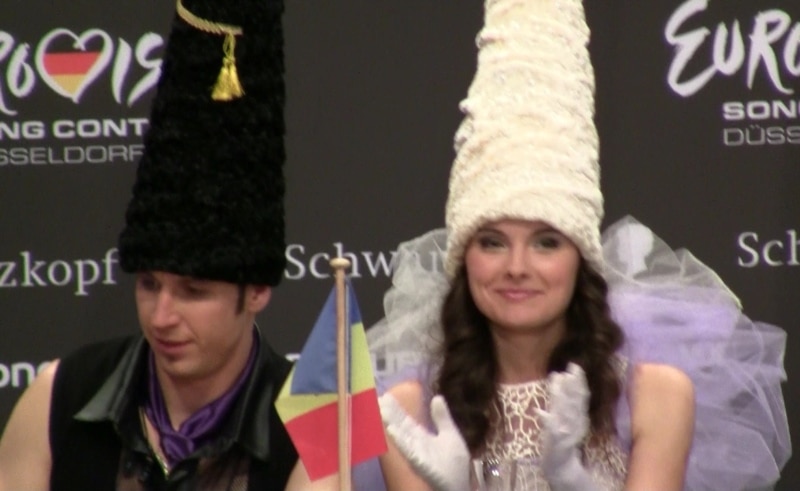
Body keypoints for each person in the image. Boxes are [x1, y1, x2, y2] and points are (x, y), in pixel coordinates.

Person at [364, 0, 790, 490]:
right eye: (492, 242)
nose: (517, 267)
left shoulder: (656, 395)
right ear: (464, 259)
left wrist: (577, 483)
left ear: (580, 259)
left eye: (546, 242)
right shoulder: (409, 409)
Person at [0, 0, 299, 489]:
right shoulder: (60, 396)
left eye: (193, 291)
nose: (161, 317)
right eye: (149, 283)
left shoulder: (312, 420)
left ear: (258, 290)